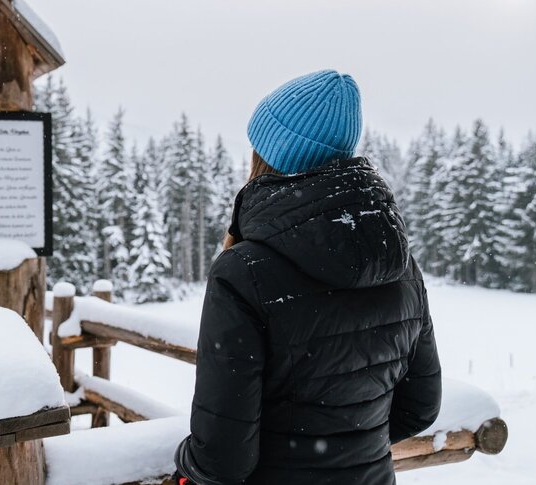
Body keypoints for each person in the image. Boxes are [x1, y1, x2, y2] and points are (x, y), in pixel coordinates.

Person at [174, 70, 442, 485]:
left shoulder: (242, 272)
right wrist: (346, 447)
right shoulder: (400, 264)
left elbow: (221, 459)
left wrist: (183, 460)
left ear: (272, 153)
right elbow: (420, 407)